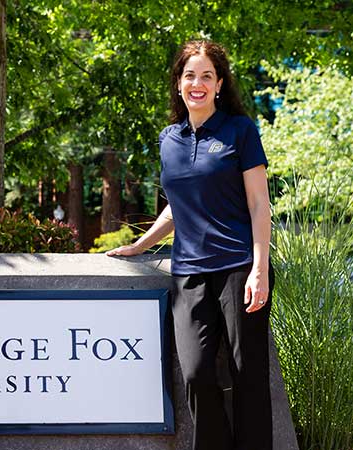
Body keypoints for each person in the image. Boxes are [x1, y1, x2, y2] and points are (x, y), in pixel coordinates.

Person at [107, 40, 274, 450]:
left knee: (246, 373)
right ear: (179, 84)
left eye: (206, 76)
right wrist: (140, 246)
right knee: (196, 374)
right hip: (188, 273)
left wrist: (259, 268)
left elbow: (259, 204)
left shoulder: (240, 130)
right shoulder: (169, 139)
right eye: (189, 76)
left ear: (219, 84)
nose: (197, 83)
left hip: (238, 267)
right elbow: (176, 208)